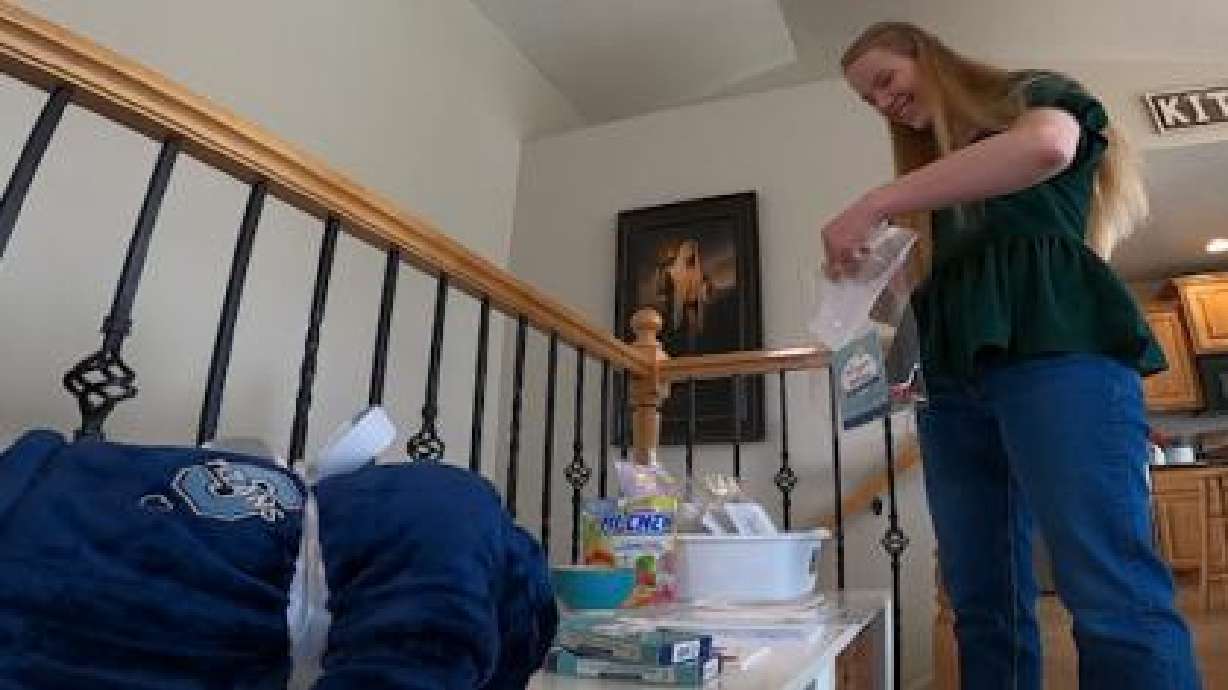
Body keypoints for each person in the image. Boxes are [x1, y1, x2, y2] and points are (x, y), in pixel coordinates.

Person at [823, 22, 1202, 690]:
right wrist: (862, 282)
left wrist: (875, 202)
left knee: (1106, 588)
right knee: (978, 600)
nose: (884, 104)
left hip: (1060, 353)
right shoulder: (930, 193)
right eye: (868, 101)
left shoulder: (1033, 99)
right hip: (950, 382)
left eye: (886, 81)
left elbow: (1049, 146)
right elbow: (913, 299)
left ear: (927, 55)